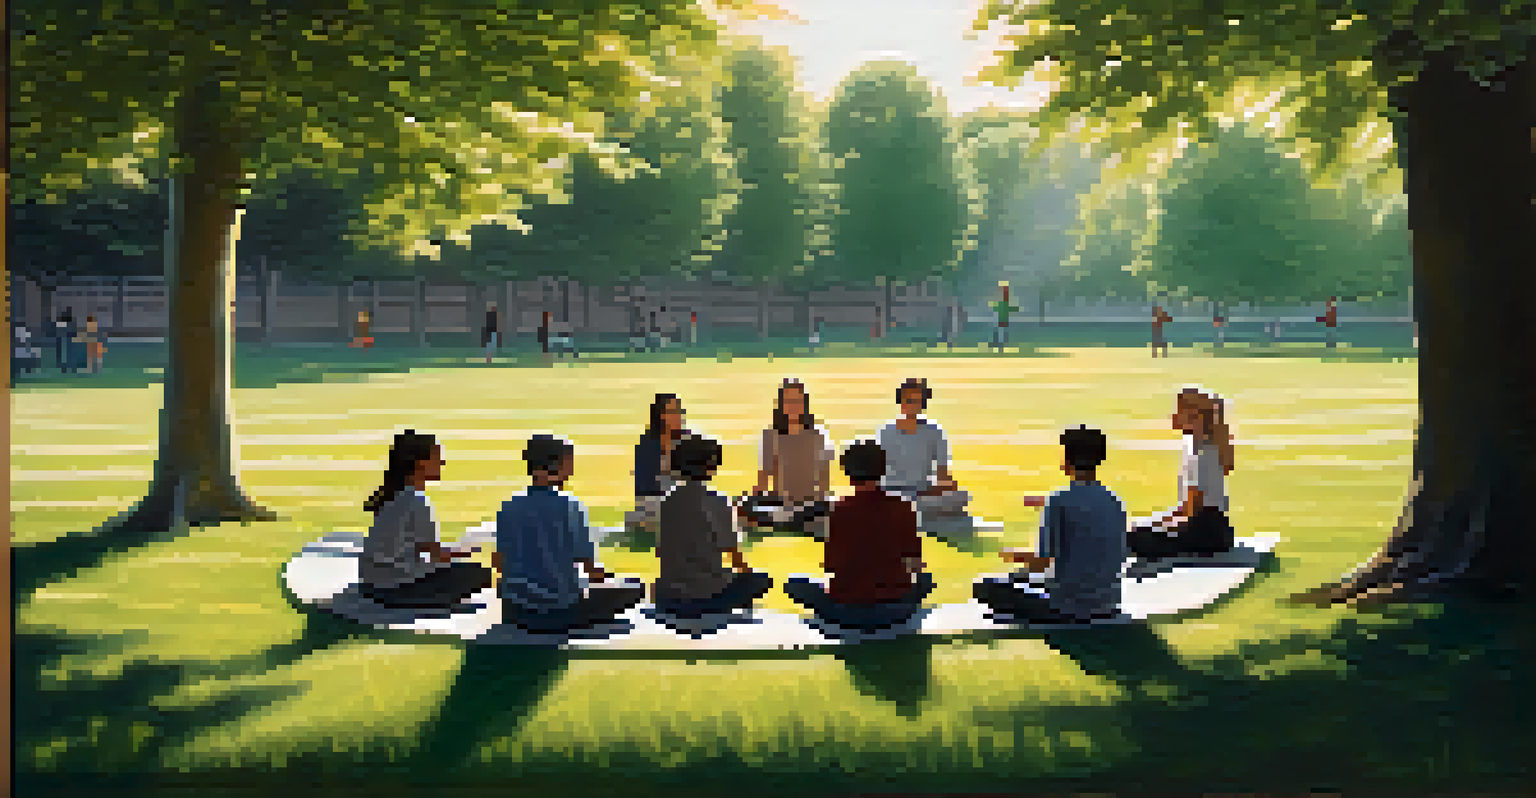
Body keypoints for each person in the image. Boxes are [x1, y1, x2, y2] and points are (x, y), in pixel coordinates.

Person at [973, 425, 1129, 623]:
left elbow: (1044, 562)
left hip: (1068, 607)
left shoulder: (1058, 501)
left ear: (1066, 460)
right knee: (1024, 578)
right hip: (1109, 602)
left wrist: (1015, 556)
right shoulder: (1114, 501)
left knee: (986, 586)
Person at [494, 435, 645, 633]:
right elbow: (591, 569)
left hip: (515, 610)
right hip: (561, 609)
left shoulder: (509, 505)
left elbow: (499, 563)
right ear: (557, 464)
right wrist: (611, 578)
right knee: (634, 587)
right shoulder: (571, 505)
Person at [783, 440, 935, 631]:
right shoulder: (903, 506)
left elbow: (831, 566)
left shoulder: (840, 509)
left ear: (847, 473)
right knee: (926, 579)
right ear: (883, 469)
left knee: (795, 584)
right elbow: (915, 561)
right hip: (898, 608)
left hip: (848, 610)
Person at [359, 430, 494, 611]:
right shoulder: (416, 500)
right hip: (393, 589)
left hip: (372, 584)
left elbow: (421, 549)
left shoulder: (393, 495)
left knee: (455, 571)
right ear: (421, 463)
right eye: (438, 458)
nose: (442, 463)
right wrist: (471, 548)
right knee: (479, 574)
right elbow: (436, 554)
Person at [654, 435, 773, 618]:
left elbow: (661, 551)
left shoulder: (667, 501)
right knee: (762, 580)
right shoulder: (717, 500)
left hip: (670, 596)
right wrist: (746, 579)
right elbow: (734, 555)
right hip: (708, 596)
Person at [1127, 388, 1237, 559]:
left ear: (1194, 416)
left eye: (1178, 411)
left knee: (1132, 538)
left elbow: (1190, 513)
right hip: (1215, 530)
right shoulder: (1199, 443)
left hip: (1207, 535)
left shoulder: (1200, 454)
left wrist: (1159, 525)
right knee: (1140, 528)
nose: (1173, 416)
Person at [744, 379, 835, 539]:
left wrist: (822, 500)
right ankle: (794, 521)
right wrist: (751, 502)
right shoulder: (771, 435)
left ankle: (790, 522)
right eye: (788, 401)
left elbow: (824, 477)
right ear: (781, 405)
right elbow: (764, 476)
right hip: (782, 502)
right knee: (744, 506)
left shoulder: (818, 434)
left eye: (797, 401)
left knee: (824, 510)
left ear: (804, 403)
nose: (793, 406)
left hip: (812, 504)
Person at [875, 378, 971, 529]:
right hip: (891, 492)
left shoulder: (934, 432)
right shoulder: (885, 432)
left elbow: (942, 473)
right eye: (909, 400)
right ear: (901, 402)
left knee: (961, 497)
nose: (913, 406)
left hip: (921, 492)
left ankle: (908, 512)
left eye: (917, 401)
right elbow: (877, 470)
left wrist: (946, 488)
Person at [627, 393, 692, 534]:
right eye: (673, 411)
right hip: (654, 503)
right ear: (661, 415)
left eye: (679, 411)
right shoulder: (647, 445)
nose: (678, 415)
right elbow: (644, 486)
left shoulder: (689, 440)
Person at [991, 284, 1020, 351]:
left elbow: (1009, 308)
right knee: (1001, 334)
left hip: (1002, 321)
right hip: (1001, 321)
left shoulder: (1003, 304)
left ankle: (998, 345)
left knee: (1001, 334)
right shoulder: (1001, 304)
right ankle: (999, 346)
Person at [54, 308, 76, 373]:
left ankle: (65, 367)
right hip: (65, 340)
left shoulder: (64, 325)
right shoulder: (67, 325)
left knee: (65, 354)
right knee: (65, 354)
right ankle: (65, 367)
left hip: (65, 340)